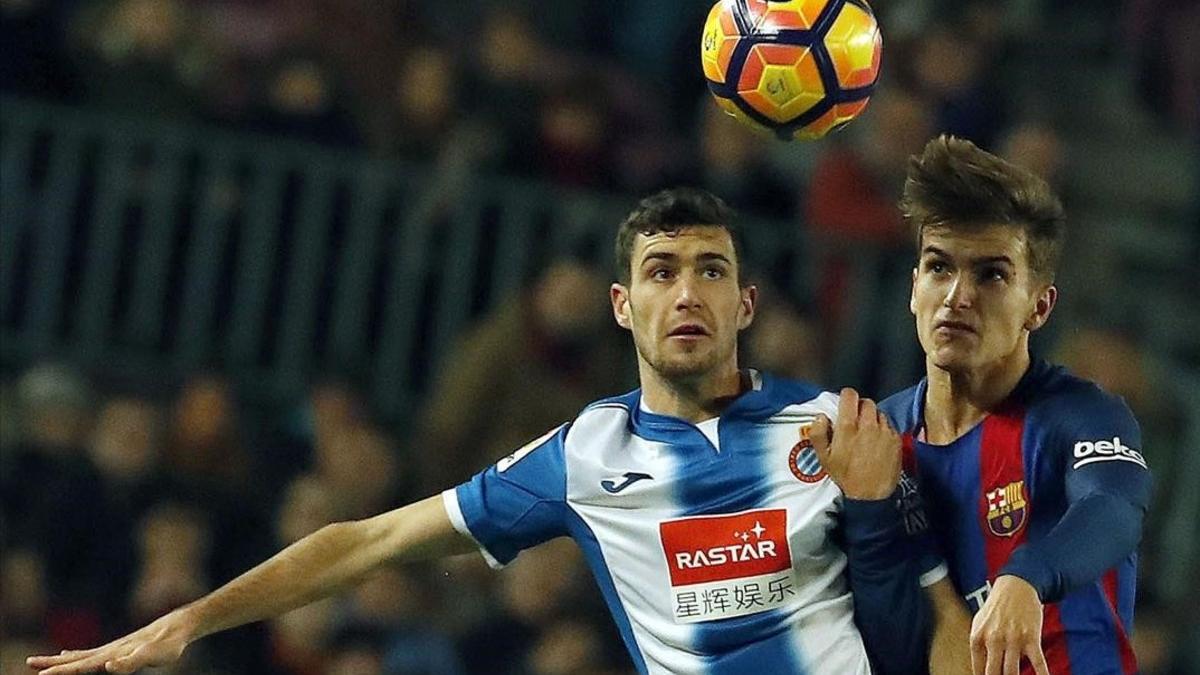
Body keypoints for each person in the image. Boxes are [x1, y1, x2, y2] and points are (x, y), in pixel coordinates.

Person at [28, 188, 965, 675]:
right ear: (621, 305)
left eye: (711, 270)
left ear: (746, 302)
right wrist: (190, 620)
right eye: (662, 270)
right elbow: (370, 541)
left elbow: (942, 616)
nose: (687, 291)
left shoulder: (840, 428)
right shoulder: (583, 457)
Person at [879, 137, 1153, 675]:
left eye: (992, 275)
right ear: (914, 288)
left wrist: (1026, 576)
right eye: (939, 268)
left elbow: (1115, 510)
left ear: (1039, 306)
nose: (958, 296)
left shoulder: (1079, 417)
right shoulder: (880, 436)